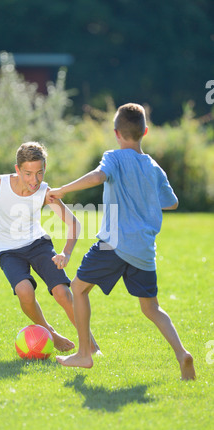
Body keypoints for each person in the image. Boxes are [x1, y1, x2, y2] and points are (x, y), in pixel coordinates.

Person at [49, 103, 196, 380]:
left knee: (78, 288)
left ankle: (83, 354)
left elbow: (98, 176)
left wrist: (63, 189)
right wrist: (143, 200)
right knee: (151, 307)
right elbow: (172, 202)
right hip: (144, 249)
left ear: (116, 133)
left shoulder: (113, 158)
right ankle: (181, 353)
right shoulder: (154, 168)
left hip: (113, 242)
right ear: (145, 132)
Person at [0, 141, 99, 353]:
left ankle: (91, 346)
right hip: (7, 250)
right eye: (28, 174)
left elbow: (73, 223)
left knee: (63, 292)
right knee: (24, 292)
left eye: (39, 173)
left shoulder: (45, 192)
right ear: (17, 170)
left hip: (38, 245)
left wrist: (66, 252)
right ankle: (50, 333)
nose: (34, 180)